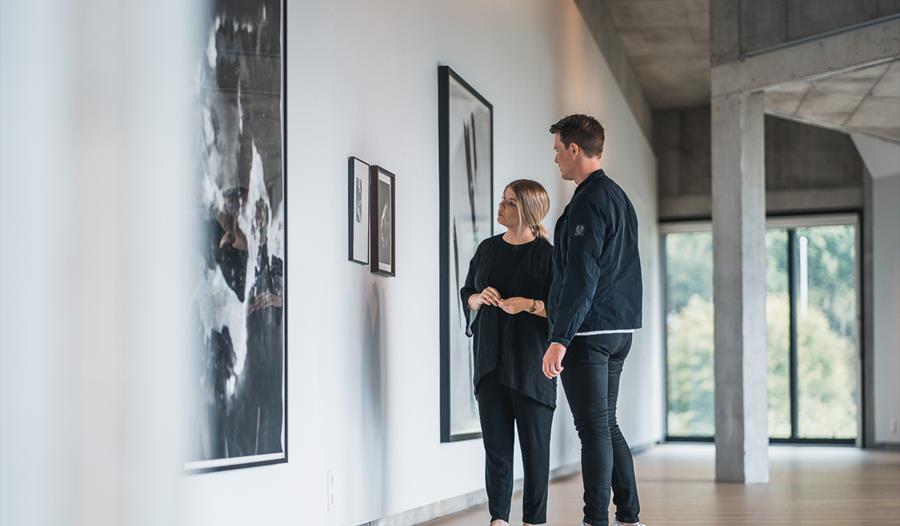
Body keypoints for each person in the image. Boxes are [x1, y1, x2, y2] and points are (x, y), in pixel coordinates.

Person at [542, 114, 646, 526]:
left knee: (592, 429)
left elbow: (582, 275)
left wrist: (560, 337)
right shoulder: (619, 196)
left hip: (591, 330)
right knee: (605, 422)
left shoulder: (589, 200)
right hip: (620, 329)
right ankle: (629, 516)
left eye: (557, 151)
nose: (556, 161)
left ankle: (595, 520)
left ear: (573, 148)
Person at [460, 179, 556, 526]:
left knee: (535, 453)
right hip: (490, 362)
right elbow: (467, 291)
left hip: (532, 366)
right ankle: (498, 519)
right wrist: (476, 299)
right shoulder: (486, 249)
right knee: (496, 451)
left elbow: (562, 308)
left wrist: (529, 305)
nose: (501, 206)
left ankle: (534, 520)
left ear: (527, 212)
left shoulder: (549, 256)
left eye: (510, 202)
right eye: (502, 199)